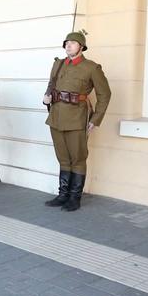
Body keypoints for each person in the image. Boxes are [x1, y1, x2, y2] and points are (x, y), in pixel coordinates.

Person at [43, 31, 111, 211]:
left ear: (81, 47)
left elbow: (105, 94)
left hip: (77, 119)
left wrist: (95, 120)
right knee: (63, 159)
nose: (68, 45)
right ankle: (63, 194)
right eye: (66, 43)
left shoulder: (91, 68)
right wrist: (47, 95)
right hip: (56, 117)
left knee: (78, 159)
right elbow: (52, 84)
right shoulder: (58, 64)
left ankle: (74, 198)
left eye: (72, 43)